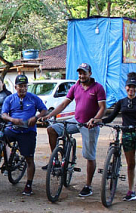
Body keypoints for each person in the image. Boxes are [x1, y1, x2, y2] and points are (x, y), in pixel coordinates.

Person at [40, 63, 106, 197]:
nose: (81, 76)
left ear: (90, 74)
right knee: (52, 129)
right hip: (76, 121)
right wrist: (49, 115)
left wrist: (95, 119)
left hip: (89, 124)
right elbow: (64, 104)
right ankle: (56, 160)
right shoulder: (76, 86)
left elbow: (102, 108)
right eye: (80, 73)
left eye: (84, 73)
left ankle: (88, 185)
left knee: (89, 156)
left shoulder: (98, 88)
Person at [96, 73, 136, 205]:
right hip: (126, 134)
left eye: (134, 87)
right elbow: (111, 117)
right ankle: (131, 191)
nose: (131, 89)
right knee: (130, 164)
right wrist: (98, 120)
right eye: (129, 86)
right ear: (125, 88)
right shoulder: (121, 102)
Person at [0, 75, 48, 196]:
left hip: (27, 131)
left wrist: (36, 117)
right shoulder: (10, 99)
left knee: (29, 159)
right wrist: (12, 120)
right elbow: (3, 114)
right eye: (20, 86)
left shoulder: (33, 98)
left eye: (25, 86)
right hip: (13, 128)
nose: (23, 88)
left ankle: (28, 185)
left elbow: (44, 110)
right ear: (15, 87)